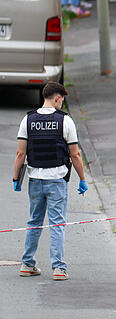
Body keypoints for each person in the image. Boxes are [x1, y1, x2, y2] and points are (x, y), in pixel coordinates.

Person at [13, 81, 88, 281]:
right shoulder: (65, 121)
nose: (61, 103)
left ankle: (27, 264)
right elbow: (76, 154)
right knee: (57, 224)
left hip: (35, 179)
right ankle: (58, 268)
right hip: (56, 180)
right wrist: (82, 179)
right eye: (61, 99)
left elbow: (21, 153)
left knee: (34, 221)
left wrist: (16, 178)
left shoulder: (28, 120)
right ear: (56, 98)